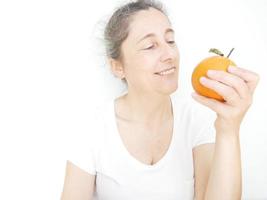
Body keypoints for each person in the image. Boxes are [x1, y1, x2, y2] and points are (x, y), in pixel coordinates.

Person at [60, 0, 260, 199]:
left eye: (170, 41)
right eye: (150, 46)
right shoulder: (93, 128)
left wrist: (229, 129)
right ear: (118, 67)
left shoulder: (196, 120)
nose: (169, 54)